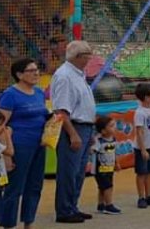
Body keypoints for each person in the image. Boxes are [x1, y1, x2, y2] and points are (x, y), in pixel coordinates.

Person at [0, 58, 49, 229]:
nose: (36, 73)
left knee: (35, 185)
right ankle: (9, 224)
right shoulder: (10, 95)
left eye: (37, 70)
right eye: (31, 70)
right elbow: (0, 126)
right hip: (19, 145)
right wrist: (6, 154)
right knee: (14, 187)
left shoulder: (39, 93)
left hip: (39, 144)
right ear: (19, 74)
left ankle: (29, 222)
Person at [51, 40, 98, 224]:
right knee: (68, 171)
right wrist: (72, 133)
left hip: (85, 126)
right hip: (73, 127)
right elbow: (61, 110)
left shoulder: (79, 75)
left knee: (78, 171)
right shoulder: (64, 76)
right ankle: (64, 209)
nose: (90, 58)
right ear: (79, 57)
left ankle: (72, 206)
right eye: (88, 55)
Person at [131, 82, 150, 209]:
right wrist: (143, 150)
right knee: (141, 172)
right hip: (142, 148)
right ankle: (141, 197)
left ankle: (149, 195)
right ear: (146, 97)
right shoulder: (140, 113)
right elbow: (139, 132)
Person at [91, 116, 120, 215]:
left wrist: (116, 163)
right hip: (100, 168)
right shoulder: (99, 140)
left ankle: (101, 204)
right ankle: (109, 205)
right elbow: (92, 150)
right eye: (111, 126)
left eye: (114, 125)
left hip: (109, 167)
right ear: (103, 131)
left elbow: (114, 152)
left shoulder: (113, 140)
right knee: (107, 186)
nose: (114, 128)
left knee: (103, 187)